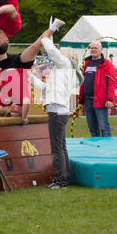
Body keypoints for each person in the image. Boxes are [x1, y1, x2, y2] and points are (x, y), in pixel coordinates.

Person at [28, 39, 84, 189]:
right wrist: (29, 77)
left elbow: (52, 52)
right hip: (58, 110)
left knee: (57, 148)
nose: (57, 55)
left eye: (61, 53)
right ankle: (63, 178)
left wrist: (46, 38)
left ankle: (61, 180)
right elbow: (46, 88)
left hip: (57, 111)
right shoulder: (62, 71)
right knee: (60, 147)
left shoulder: (65, 65)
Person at [78, 41, 116, 137]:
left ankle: (107, 149)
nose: (93, 50)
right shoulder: (87, 63)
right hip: (87, 100)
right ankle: (96, 149)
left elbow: (111, 83)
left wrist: (110, 99)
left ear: (101, 50)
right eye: (92, 48)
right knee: (92, 127)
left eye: (96, 48)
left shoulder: (107, 64)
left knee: (104, 126)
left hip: (100, 100)